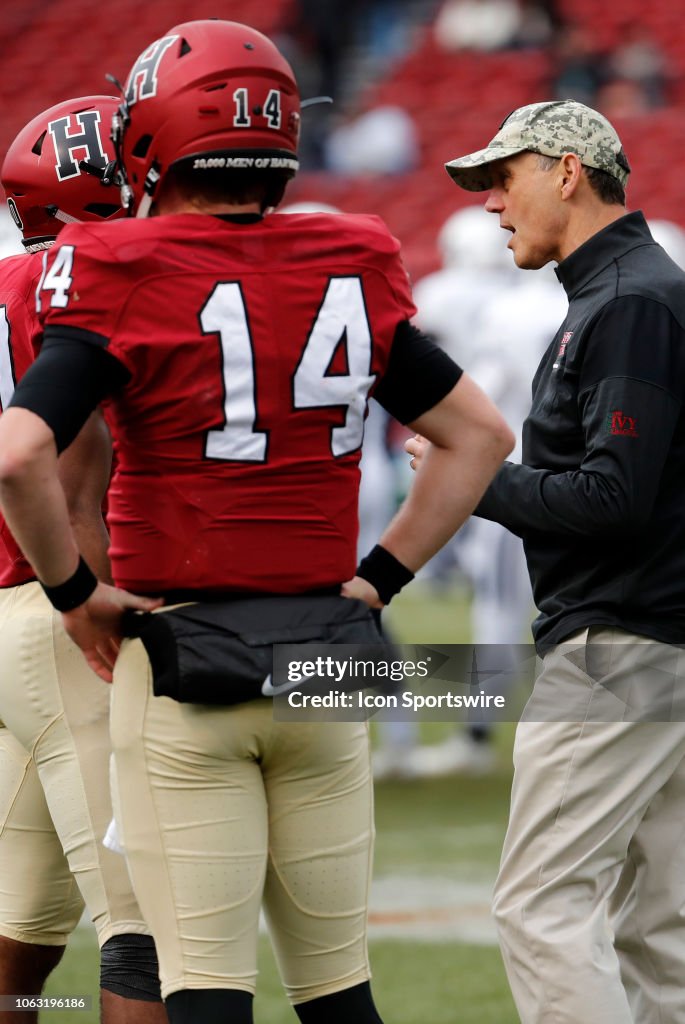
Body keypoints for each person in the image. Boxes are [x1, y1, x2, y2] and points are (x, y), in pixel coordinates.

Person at [0, 20, 514, 1024]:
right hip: (328, 648)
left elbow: (25, 453)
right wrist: (380, 580)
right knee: (337, 989)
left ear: (150, 135)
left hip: (187, 652)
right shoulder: (349, 254)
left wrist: (76, 594)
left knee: (195, 982)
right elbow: (480, 439)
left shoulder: (118, 264)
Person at [409, 98, 685, 1023]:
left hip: (619, 644)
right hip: (657, 641)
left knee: (541, 905)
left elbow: (611, 499)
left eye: (503, 176)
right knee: (660, 928)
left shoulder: (629, 301)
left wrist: (475, 479)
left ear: (566, 170)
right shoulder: (628, 294)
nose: (491, 203)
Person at [0, 96, 167, 1024]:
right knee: (149, 929)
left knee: (16, 938)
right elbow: (66, 486)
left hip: (6, 624)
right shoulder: (76, 281)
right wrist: (98, 606)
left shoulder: (7, 279)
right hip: (60, 611)